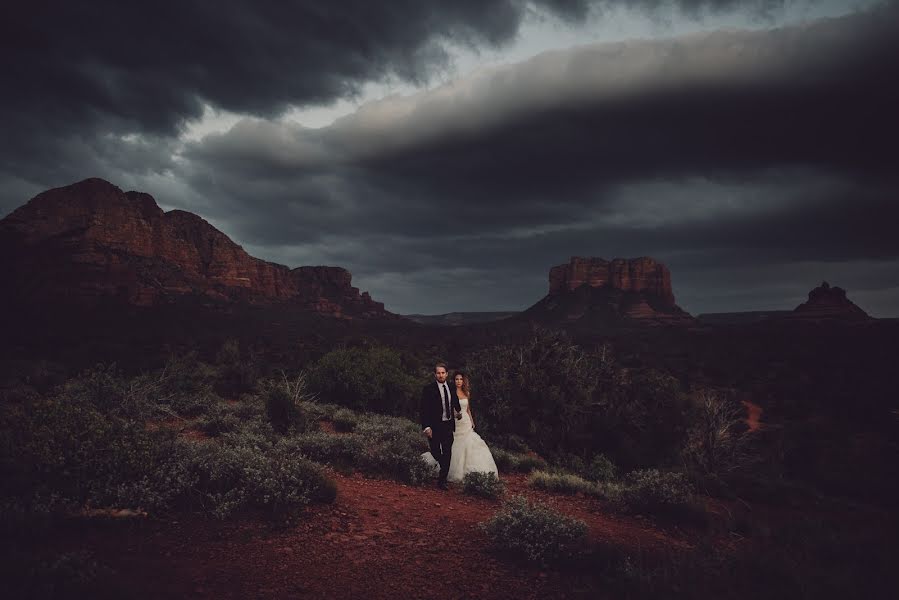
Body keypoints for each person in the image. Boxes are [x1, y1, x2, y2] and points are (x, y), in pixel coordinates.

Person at [422, 370, 499, 484]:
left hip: (466, 422)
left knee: (471, 444)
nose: (459, 381)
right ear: (454, 380)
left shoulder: (466, 393)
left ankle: (472, 472)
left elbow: (468, 409)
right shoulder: (451, 390)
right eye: (457, 379)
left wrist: (472, 421)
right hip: (454, 423)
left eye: (461, 379)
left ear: (464, 381)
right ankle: (447, 469)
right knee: (452, 445)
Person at [420, 362, 461, 490]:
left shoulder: (451, 387)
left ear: (447, 374)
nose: (441, 375)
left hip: (448, 425)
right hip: (434, 426)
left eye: (443, 373)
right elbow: (423, 409)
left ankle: (442, 481)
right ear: (435, 374)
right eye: (438, 373)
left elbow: (455, 401)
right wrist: (426, 427)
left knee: (447, 452)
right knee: (435, 451)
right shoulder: (428, 389)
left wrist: (458, 411)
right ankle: (445, 467)